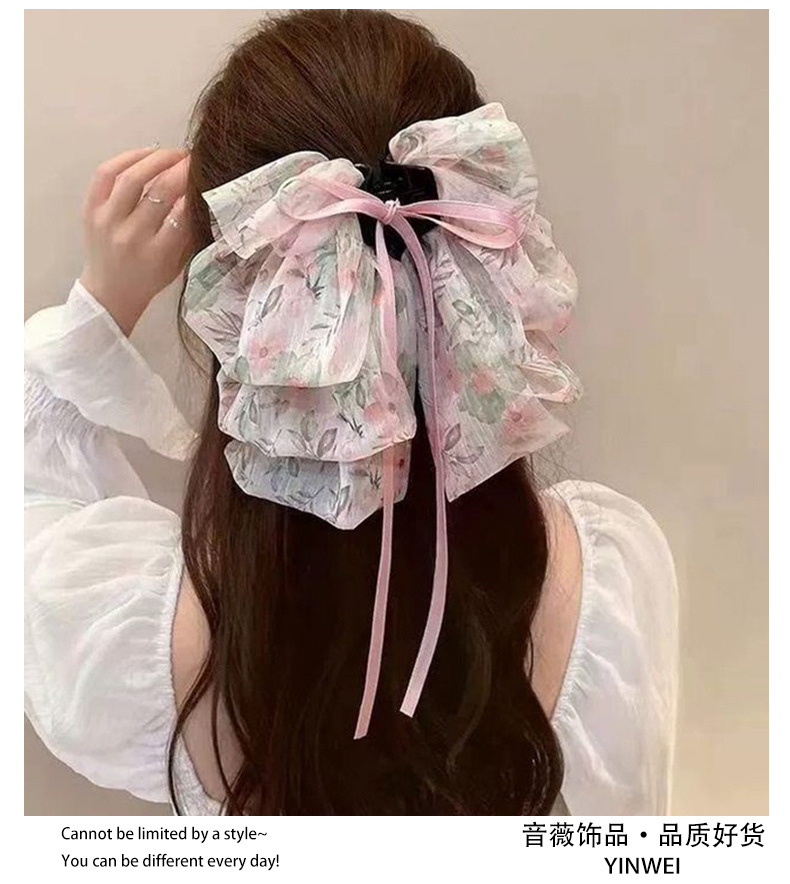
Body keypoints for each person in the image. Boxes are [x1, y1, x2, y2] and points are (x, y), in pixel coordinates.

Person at [24, 9, 678, 816]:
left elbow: (26, 499)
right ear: (480, 267)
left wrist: (100, 306)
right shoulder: (607, 587)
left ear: (242, 303)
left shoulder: (139, 635)